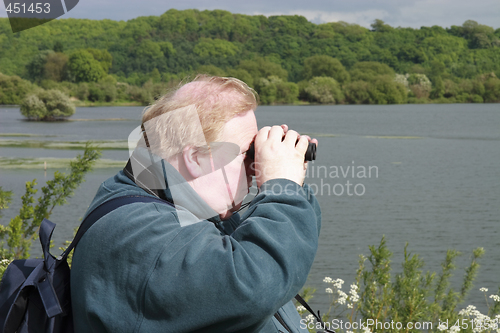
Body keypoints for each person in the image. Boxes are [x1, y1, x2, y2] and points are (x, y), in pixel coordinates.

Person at [71, 75, 321, 333]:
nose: (254, 168)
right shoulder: (140, 233)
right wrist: (281, 186)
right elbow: (254, 284)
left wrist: (292, 184)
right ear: (195, 158)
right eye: (247, 155)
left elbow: (275, 252)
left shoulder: (171, 201)